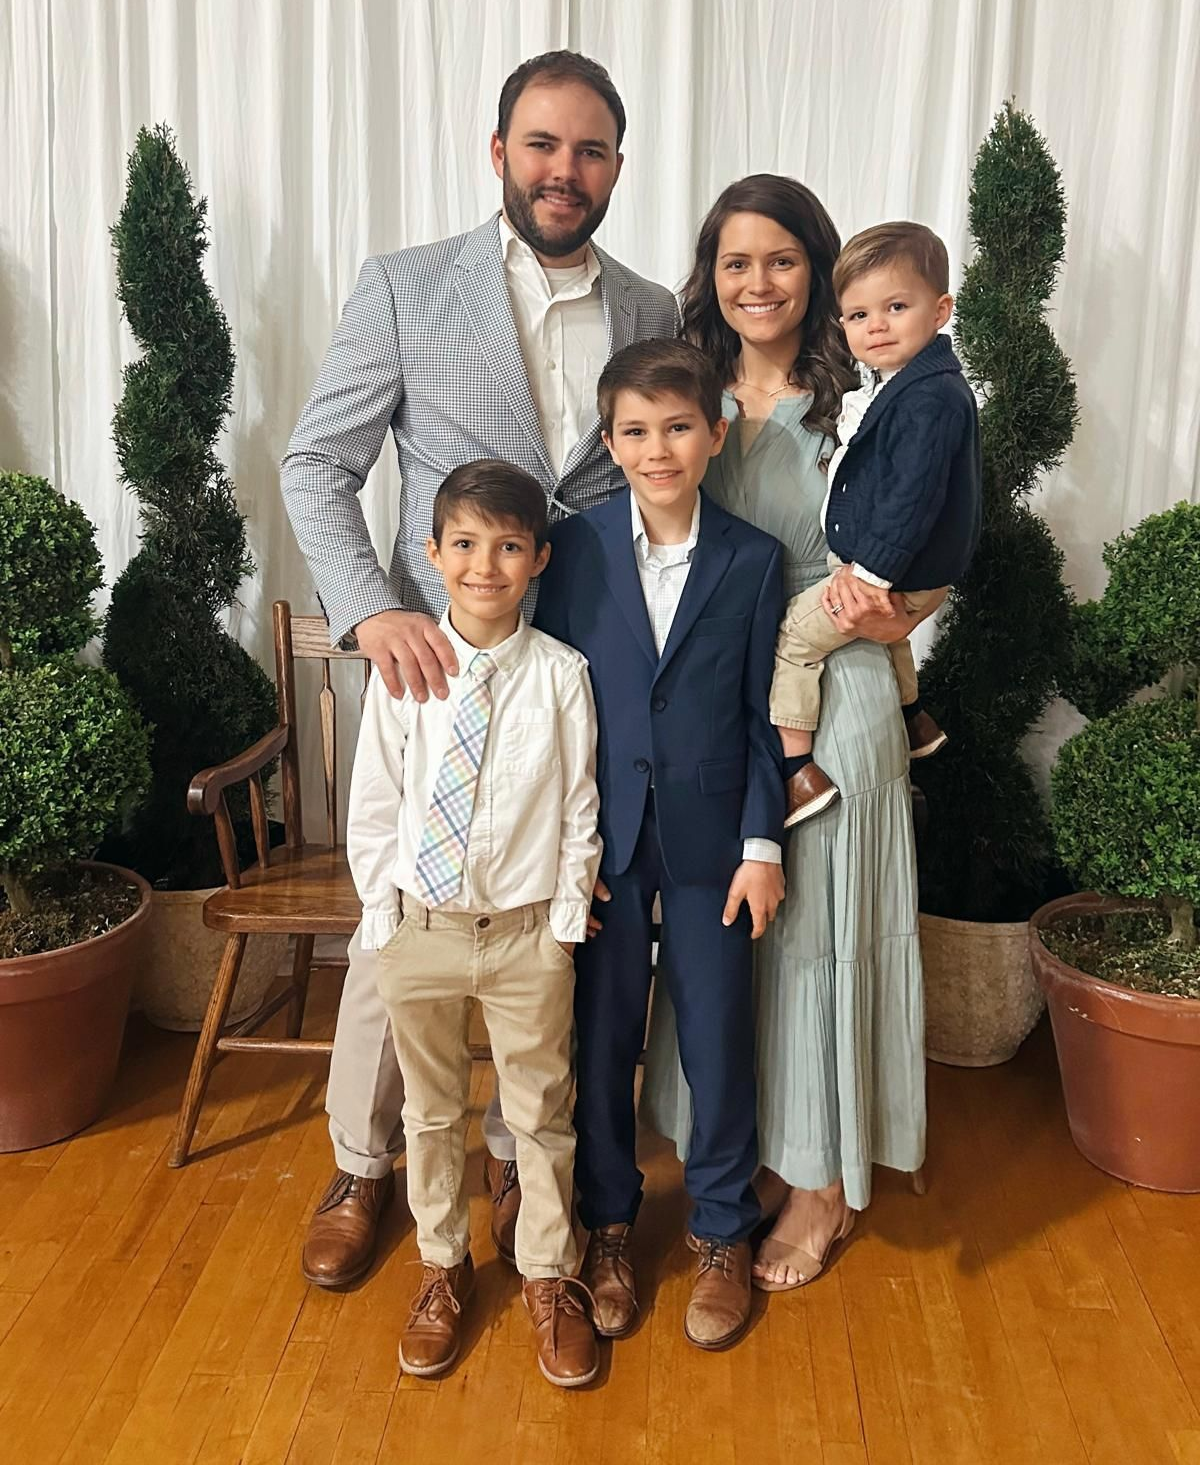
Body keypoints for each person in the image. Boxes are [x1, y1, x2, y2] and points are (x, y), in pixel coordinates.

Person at [280, 51, 677, 1288]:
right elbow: (317, 464)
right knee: (406, 912)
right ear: (498, 151)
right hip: (435, 665)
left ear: (617, 166)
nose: (566, 170)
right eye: (543, 144)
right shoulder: (405, 287)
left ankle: (515, 1152)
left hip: (581, 672)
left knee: (549, 916)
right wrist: (369, 613)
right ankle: (364, 1160)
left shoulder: (653, 308)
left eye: (591, 150)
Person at [640, 175, 943, 1291]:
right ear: (709, 276)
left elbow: (937, 532)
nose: (757, 282)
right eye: (735, 261)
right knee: (734, 936)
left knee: (819, 936)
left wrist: (913, 604)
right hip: (716, 700)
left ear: (817, 268)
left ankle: (825, 1183)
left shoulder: (870, 390)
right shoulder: (685, 390)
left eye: (781, 259)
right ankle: (760, 1145)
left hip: (837, 697)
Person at [534, 338, 786, 1351]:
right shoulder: (573, 550)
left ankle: (723, 1229)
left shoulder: (754, 560)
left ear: (715, 433)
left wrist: (762, 844)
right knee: (600, 1036)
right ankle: (607, 1223)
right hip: (600, 841)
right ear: (609, 442)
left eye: (678, 428)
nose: (658, 449)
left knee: (719, 1034)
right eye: (635, 431)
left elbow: (765, 717)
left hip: (715, 840)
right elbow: (550, 704)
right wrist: (562, 854)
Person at [348, 461, 601, 1386]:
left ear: (538, 558)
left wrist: (563, 922)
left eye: (507, 547)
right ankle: (442, 1265)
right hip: (422, 929)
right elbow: (375, 801)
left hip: (529, 934)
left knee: (541, 1113)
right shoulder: (406, 673)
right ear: (432, 552)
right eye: (464, 543)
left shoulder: (562, 675)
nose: (484, 566)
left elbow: (579, 804)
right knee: (430, 1111)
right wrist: (385, 921)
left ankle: (548, 1274)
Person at [772, 221, 981, 825]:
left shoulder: (929, 398)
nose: (877, 326)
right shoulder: (902, 385)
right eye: (859, 315)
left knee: (794, 637)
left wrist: (868, 575)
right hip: (904, 568)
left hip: (893, 567)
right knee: (888, 636)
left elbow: (910, 499)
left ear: (940, 310)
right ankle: (915, 720)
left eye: (896, 307)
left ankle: (796, 772)